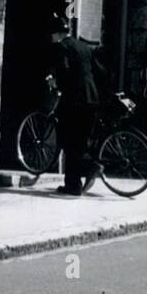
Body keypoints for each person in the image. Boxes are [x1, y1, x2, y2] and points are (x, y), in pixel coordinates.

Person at [44, 11, 113, 195]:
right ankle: (73, 186)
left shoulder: (61, 47)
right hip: (91, 99)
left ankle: (92, 167)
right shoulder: (83, 47)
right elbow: (99, 71)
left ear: (57, 33)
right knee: (79, 144)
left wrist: (54, 82)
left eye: (52, 33)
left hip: (75, 101)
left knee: (67, 142)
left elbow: (65, 73)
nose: (51, 37)